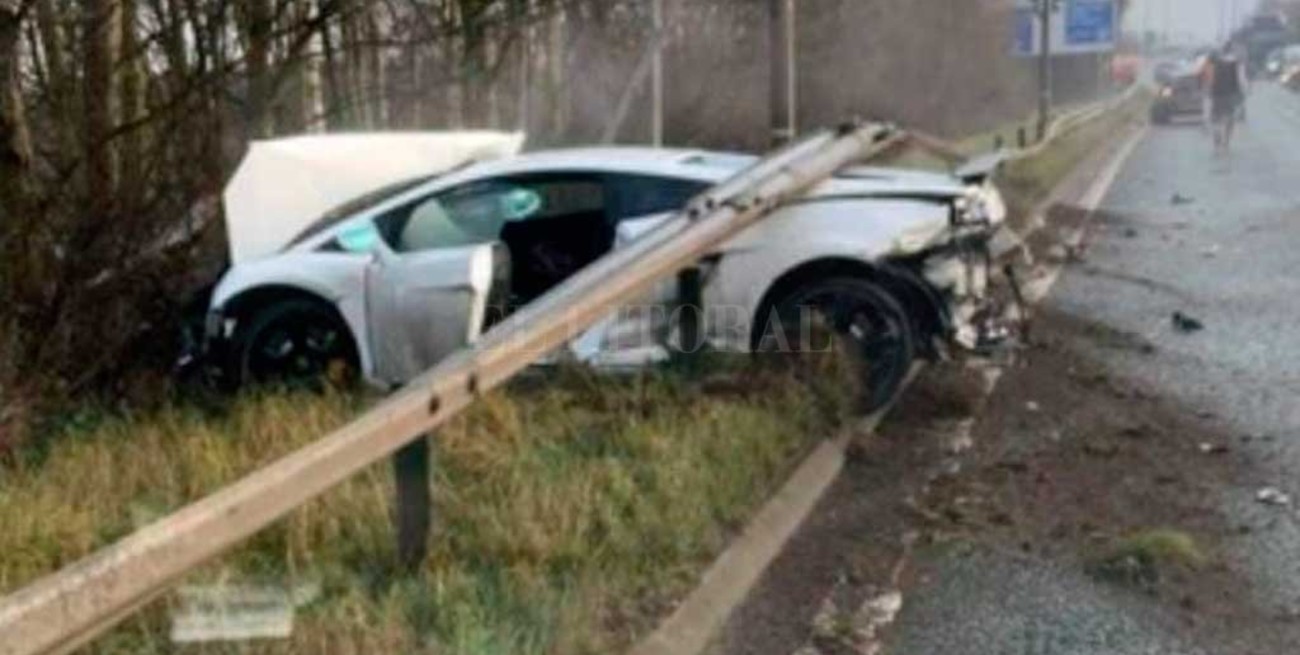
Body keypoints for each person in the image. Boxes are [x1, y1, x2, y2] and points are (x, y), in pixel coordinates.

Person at [1201, 44, 1249, 153]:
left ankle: (1217, 137)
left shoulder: (1213, 62)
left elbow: (1207, 79)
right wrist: (1244, 92)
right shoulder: (1235, 63)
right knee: (1230, 118)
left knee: (1216, 118)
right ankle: (1226, 142)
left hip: (1216, 94)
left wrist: (1207, 92)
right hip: (1230, 93)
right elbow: (1241, 79)